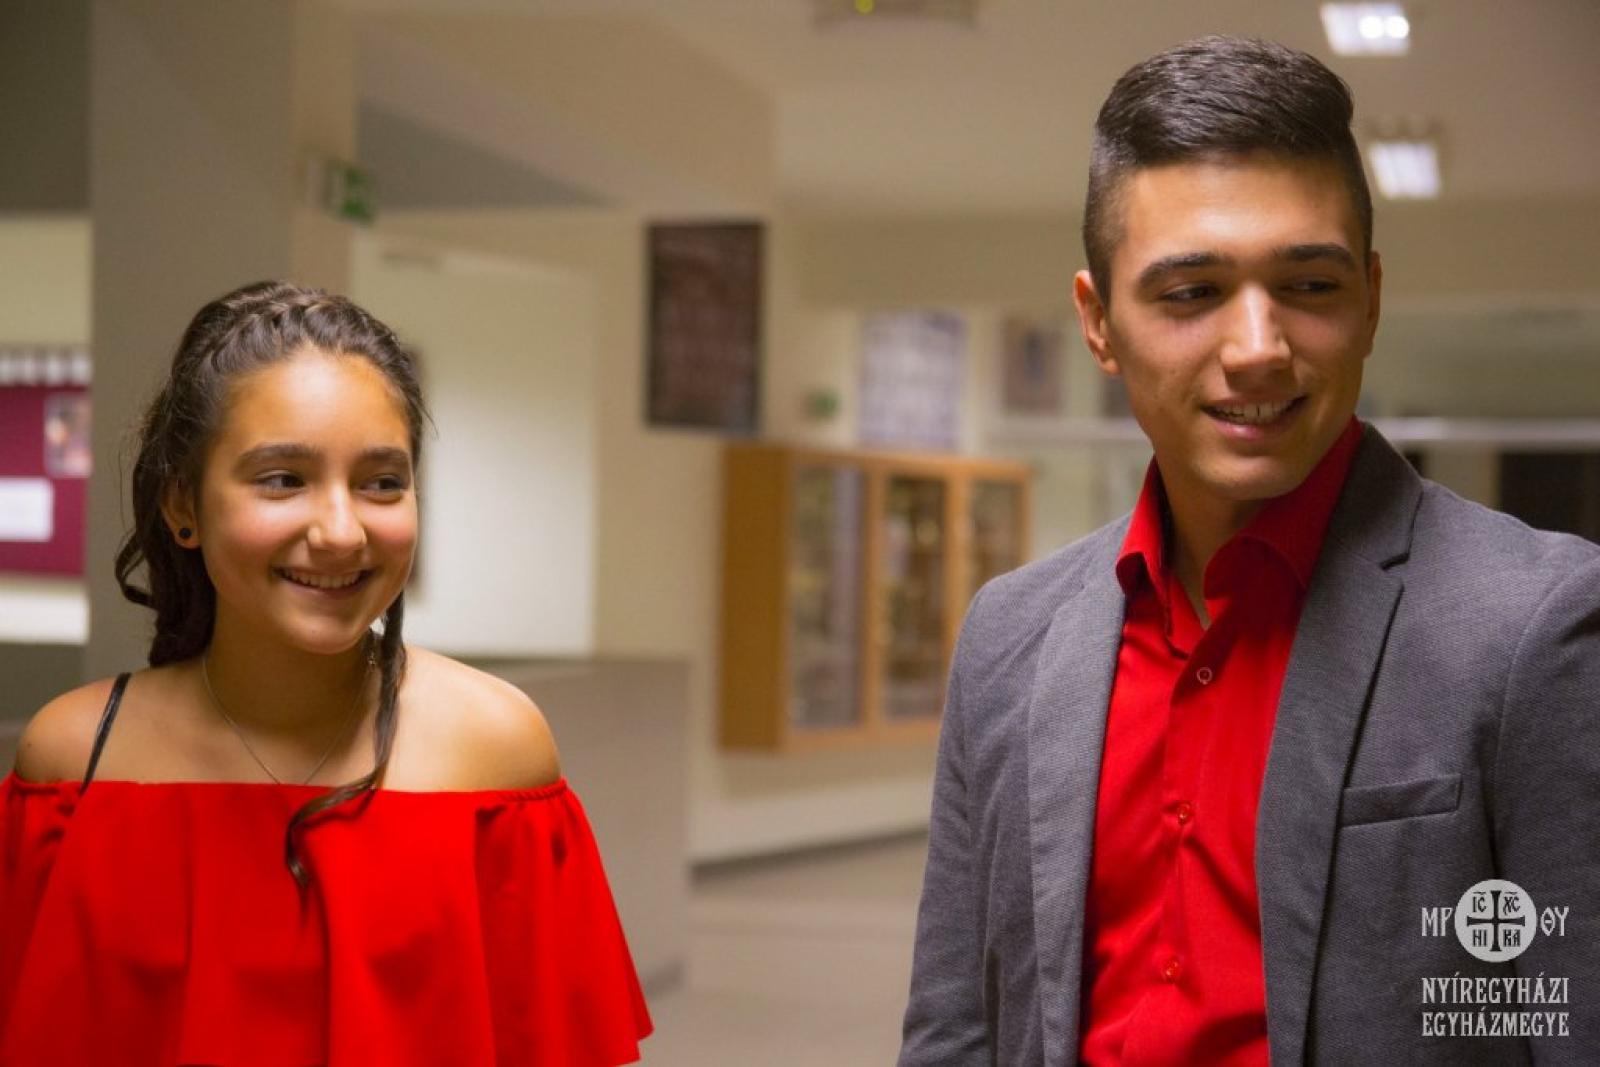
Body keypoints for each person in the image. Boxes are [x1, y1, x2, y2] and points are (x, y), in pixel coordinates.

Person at [900, 35, 1598, 1065]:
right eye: (1191, 293)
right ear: (1097, 322)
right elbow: (955, 1023)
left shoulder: (1531, 624)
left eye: (1309, 284)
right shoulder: (1012, 634)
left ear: (1369, 297)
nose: (1259, 347)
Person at [1, 282, 652, 1065]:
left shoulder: (496, 756)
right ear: (183, 505)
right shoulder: (74, 766)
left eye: (382, 482)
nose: (341, 531)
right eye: (283, 478)